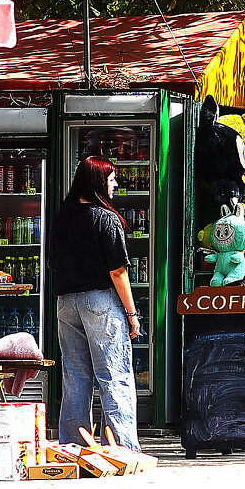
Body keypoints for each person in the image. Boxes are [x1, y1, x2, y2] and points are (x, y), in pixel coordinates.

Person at [47, 156, 142, 452]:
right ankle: (122, 449)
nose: (115, 184)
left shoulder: (63, 216)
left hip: (66, 303)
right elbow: (118, 271)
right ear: (98, 181)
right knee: (114, 375)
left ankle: (74, 447)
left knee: (75, 377)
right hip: (100, 302)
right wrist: (131, 312)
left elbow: (52, 263)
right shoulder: (106, 218)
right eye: (111, 179)